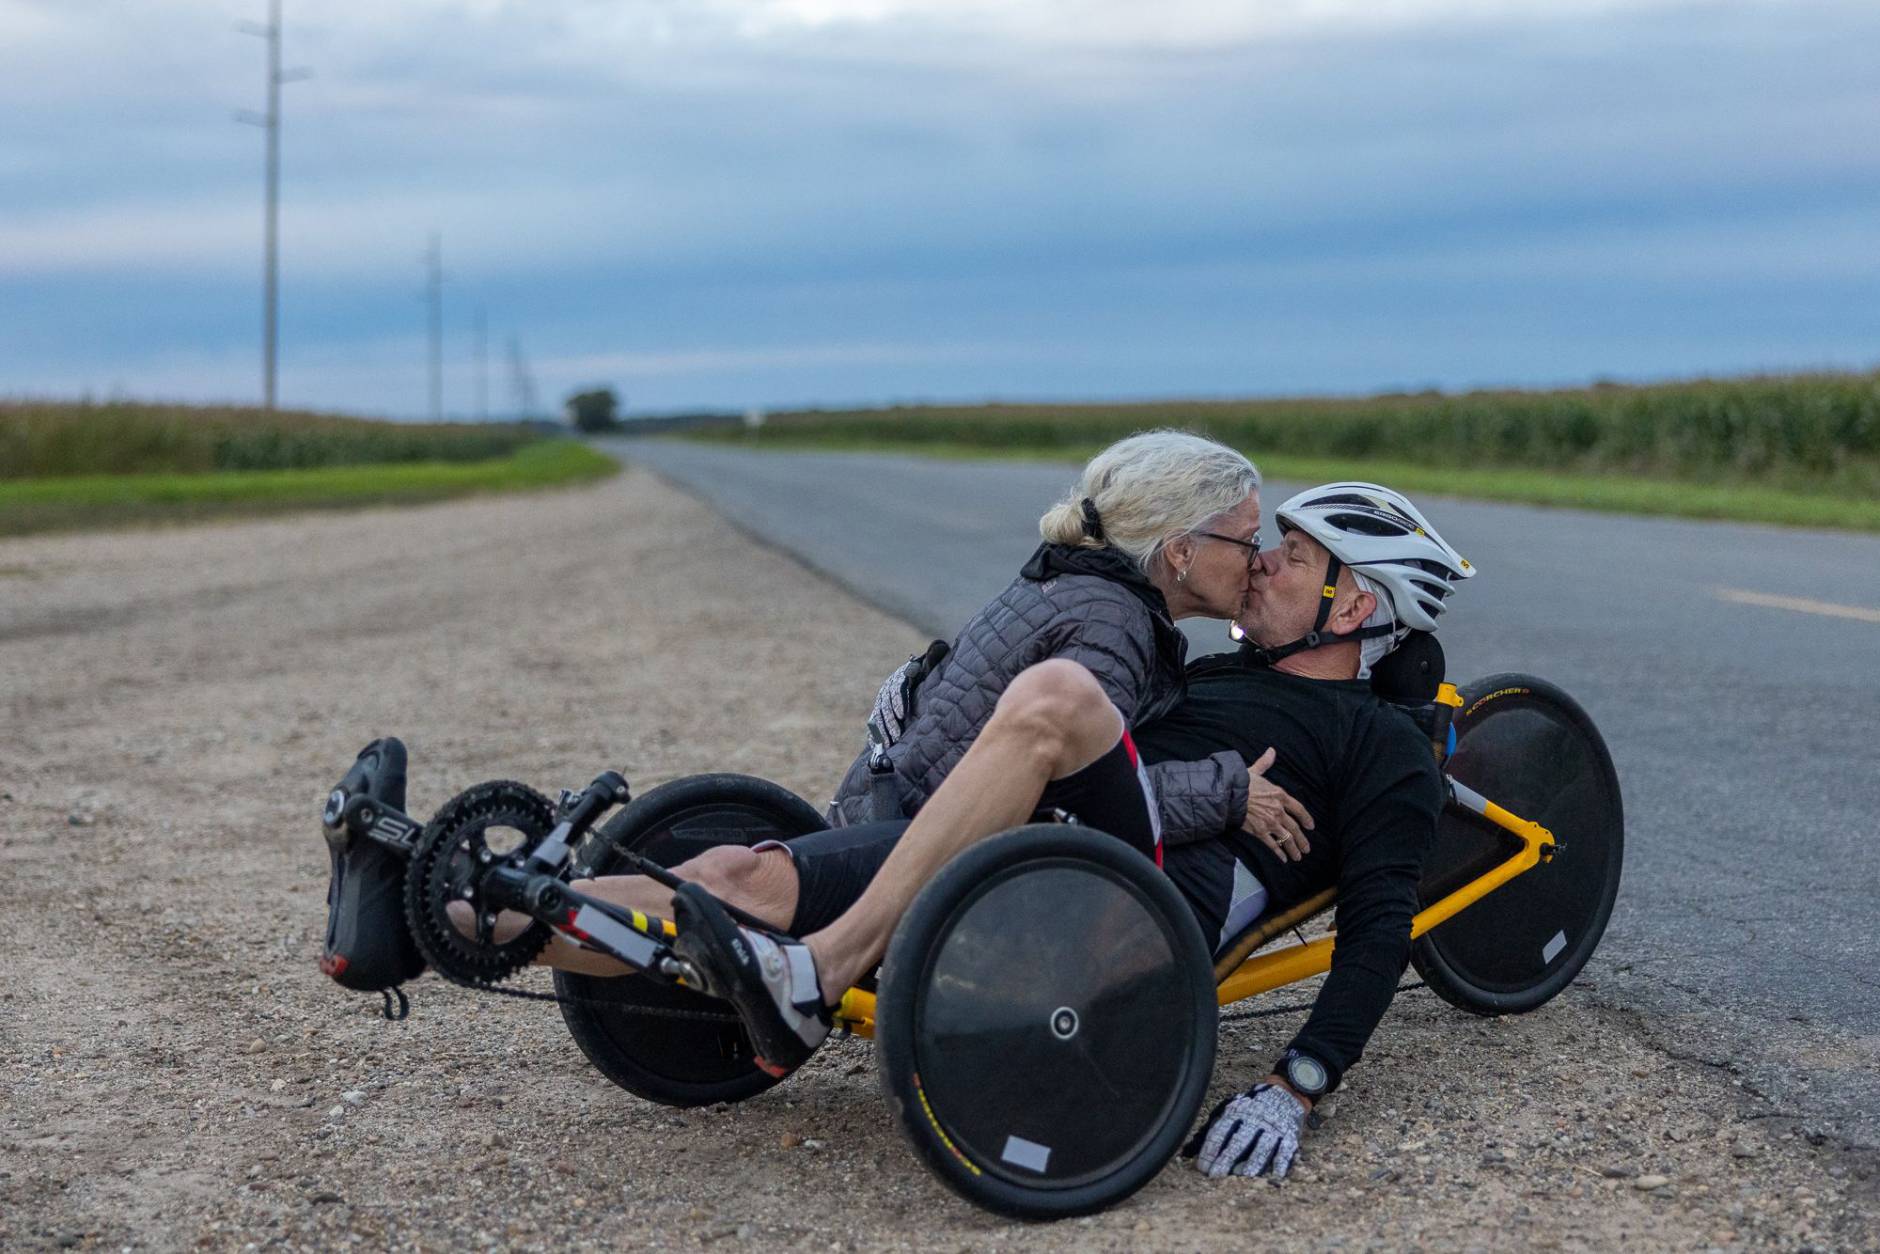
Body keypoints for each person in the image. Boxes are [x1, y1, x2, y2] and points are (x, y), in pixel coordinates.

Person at [669, 482, 1473, 1186]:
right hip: (1019, 844)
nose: (1261, 561)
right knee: (733, 877)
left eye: (1293, 557)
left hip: (1104, 913)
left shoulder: (1381, 745)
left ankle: (816, 968)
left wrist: (1297, 1083)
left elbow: (1378, 928)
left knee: (770, 887)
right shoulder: (1206, 674)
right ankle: (545, 916)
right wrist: (922, 690)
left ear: (1356, 606)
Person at [320, 430, 1310, 997]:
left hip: (895, 802)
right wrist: (1228, 792)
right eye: (1243, 535)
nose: (1256, 554)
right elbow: (1086, 778)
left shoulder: (1075, 585)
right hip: (927, 841)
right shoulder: (1112, 625)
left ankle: (437, 901)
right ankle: (437, 918)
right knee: (736, 893)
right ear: (1176, 553)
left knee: (725, 879)